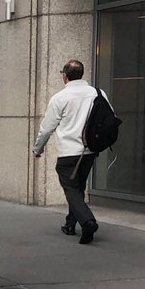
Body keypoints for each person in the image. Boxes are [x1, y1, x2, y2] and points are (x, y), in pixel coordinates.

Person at [33, 59, 101, 244]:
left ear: (65, 76)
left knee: (71, 189)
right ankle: (70, 224)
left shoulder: (60, 98)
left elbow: (47, 128)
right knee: (78, 187)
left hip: (68, 152)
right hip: (89, 151)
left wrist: (37, 149)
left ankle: (88, 221)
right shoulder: (97, 93)